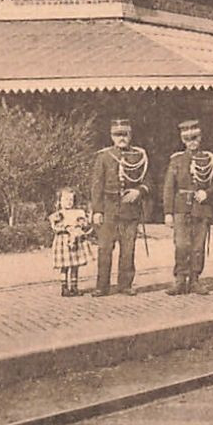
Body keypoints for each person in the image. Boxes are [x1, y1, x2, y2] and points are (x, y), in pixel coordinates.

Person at [89, 118, 150, 296]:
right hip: (109, 209)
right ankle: (102, 286)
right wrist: (97, 210)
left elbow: (148, 182)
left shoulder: (140, 156)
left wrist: (139, 192)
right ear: (111, 136)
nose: (121, 138)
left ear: (130, 135)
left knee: (128, 249)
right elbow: (96, 185)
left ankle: (125, 284)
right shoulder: (104, 157)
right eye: (117, 134)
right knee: (105, 248)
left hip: (129, 211)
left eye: (125, 134)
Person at [163, 119, 213, 295]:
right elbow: (169, 187)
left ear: (200, 138)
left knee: (198, 246)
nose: (192, 142)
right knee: (181, 245)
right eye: (188, 139)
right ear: (183, 140)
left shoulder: (209, 159)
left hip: (201, 209)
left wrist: (207, 193)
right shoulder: (176, 160)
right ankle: (180, 280)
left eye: (195, 138)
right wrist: (168, 213)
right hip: (180, 208)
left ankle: (194, 280)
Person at [48, 188, 95, 296]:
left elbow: (84, 224)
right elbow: (55, 227)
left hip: (76, 242)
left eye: (71, 200)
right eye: (65, 200)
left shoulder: (78, 213)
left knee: (75, 265)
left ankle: (74, 286)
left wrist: (82, 225)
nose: (69, 202)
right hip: (64, 242)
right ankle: (64, 287)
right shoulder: (59, 214)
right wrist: (66, 228)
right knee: (64, 266)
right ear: (59, 201)